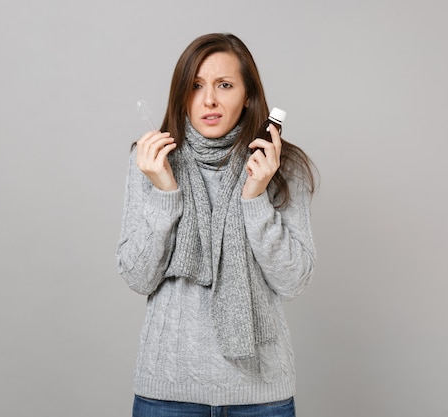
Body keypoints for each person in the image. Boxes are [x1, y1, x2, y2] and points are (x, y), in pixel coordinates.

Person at [116, 33, 317, 417]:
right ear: (181, 96)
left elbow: (293, 280)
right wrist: (164, 193)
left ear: (249, 95)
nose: (208, 100)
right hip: (168, 392)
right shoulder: (151, 161)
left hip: (260, 396)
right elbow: (137, 276)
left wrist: (255, 197)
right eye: (195, 86)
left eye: (224, 85)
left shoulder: (282, 166)